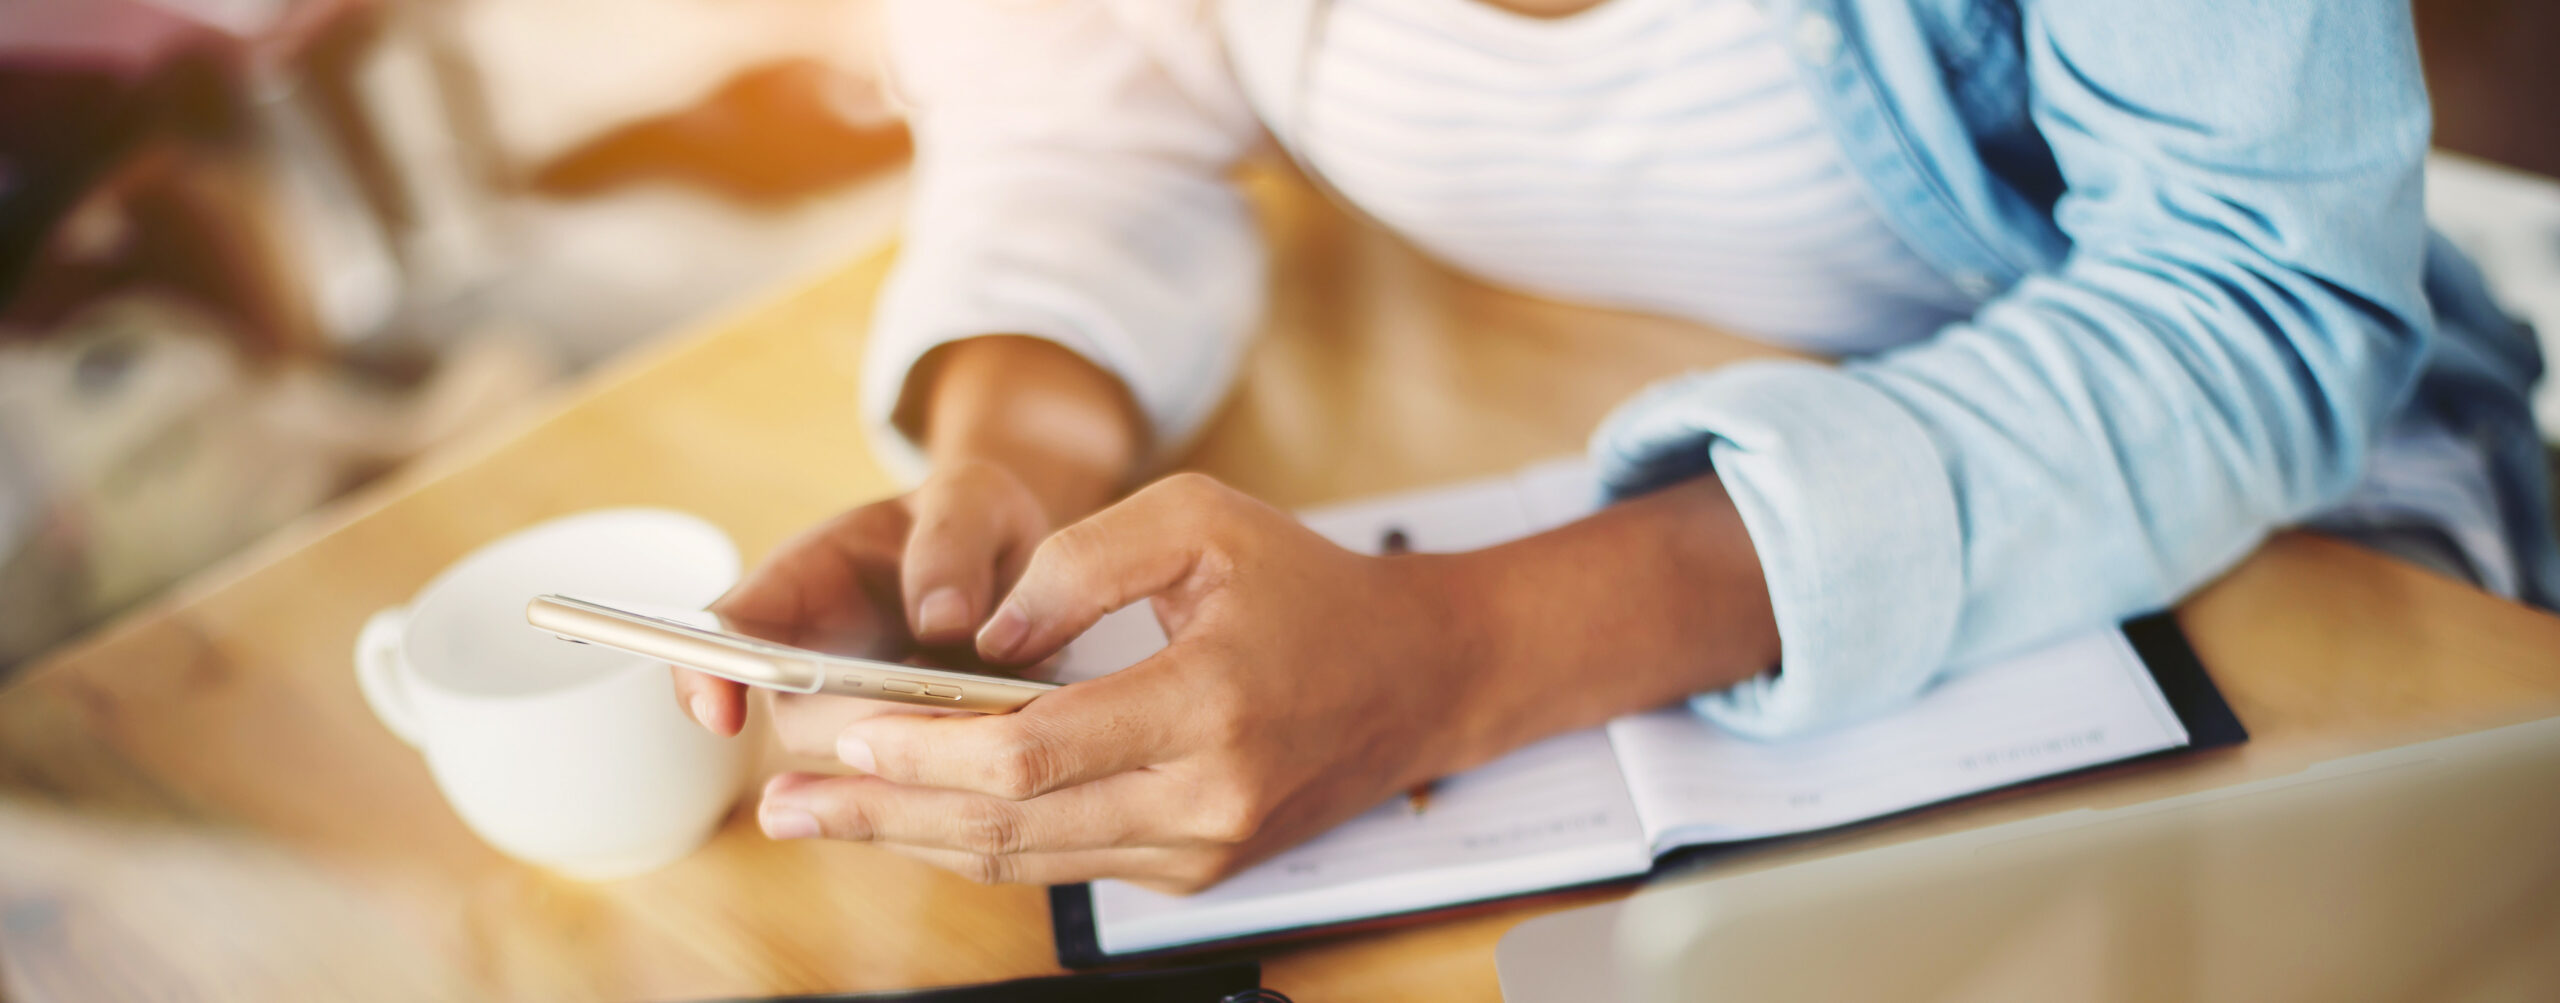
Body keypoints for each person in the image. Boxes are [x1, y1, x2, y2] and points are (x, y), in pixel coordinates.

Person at [671, 0, 2559, 894]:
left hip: (2295, 545)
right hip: (1556, 426)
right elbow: (1081, 116)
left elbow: (2259, 297)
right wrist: (1011, 460)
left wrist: (1467, 659)